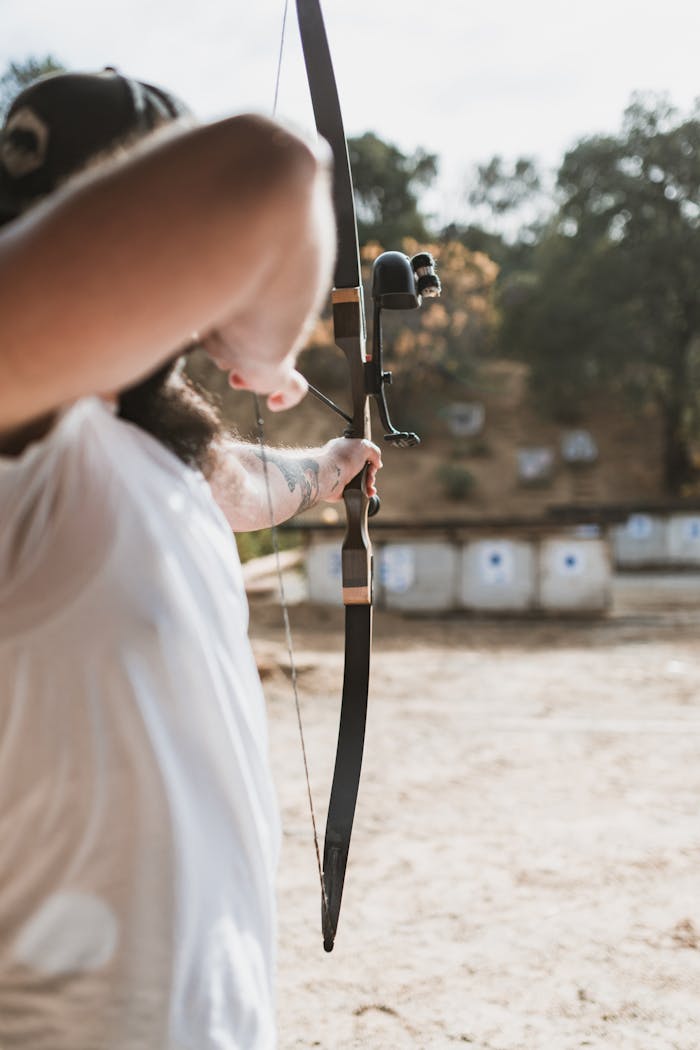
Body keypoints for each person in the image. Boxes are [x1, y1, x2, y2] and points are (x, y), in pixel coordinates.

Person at [0, 69, 381, 1049]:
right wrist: (261, 350)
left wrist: (331, 464)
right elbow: (274, 170)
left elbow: (237, 480)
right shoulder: (25, 432)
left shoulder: (116, 457)